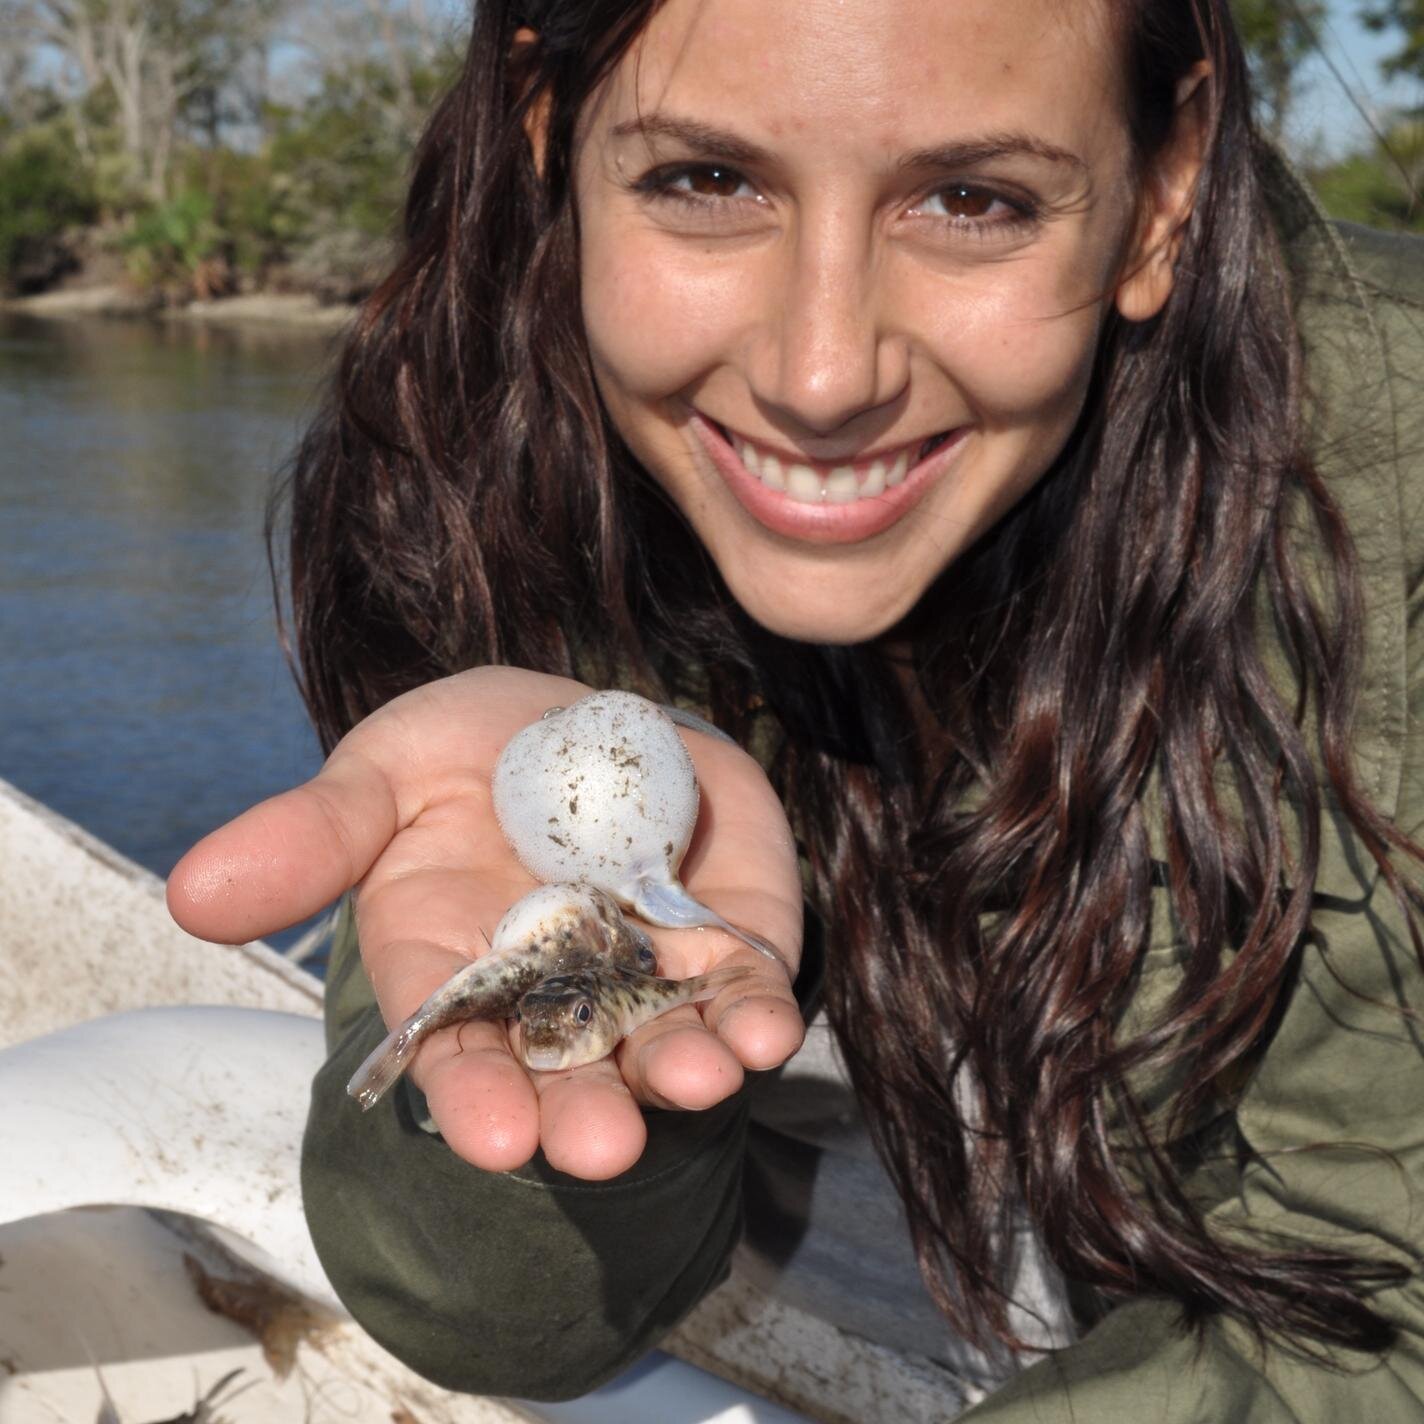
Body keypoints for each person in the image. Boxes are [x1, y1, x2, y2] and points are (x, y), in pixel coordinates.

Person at [167, 0, 1424, 1417]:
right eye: (707, 182)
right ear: (549, 140)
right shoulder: (494, 467)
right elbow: (490, 1317)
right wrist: (557, 1088)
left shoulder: (1397, 523)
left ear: (1163, 195)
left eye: (973, 198)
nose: (821, 376)